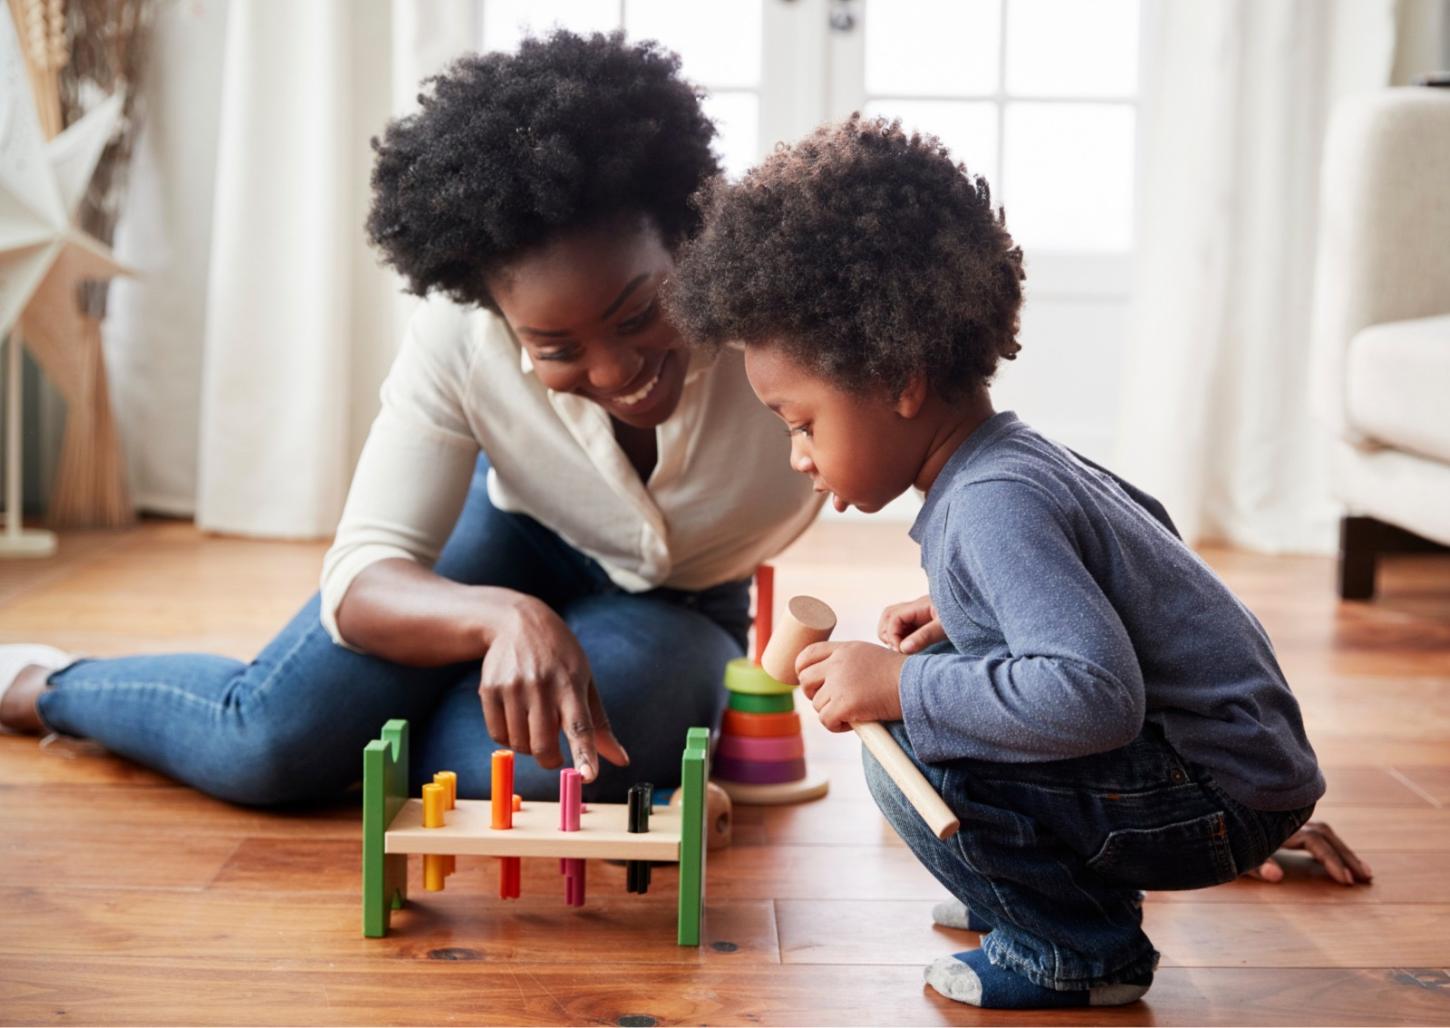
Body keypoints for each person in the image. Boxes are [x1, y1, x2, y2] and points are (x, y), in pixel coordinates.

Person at [0, 31, 819, 804]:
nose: (612, 372)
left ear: (686, 239)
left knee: (520, 774)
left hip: (681, 601)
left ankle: (368, 724)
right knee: (268, 744)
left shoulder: (787, 313)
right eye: (554, 346)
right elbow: (362, 576)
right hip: (517, 536)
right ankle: (41, 687)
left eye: (639, 314)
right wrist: (501, 618)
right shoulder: (459, 335)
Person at [666, 115, 1365, 1009]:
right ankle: (1032, 889)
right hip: (1239, 769)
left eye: (802, 424)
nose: (798, 456)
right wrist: (970, 611)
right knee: (952, 686)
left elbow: (1095, 696)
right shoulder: (1015, 460)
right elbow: (1136, 563)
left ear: (899, 380)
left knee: (908, 751)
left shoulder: (991, 502)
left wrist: (899, 686)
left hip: (1213, 796)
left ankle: (1075, 949)